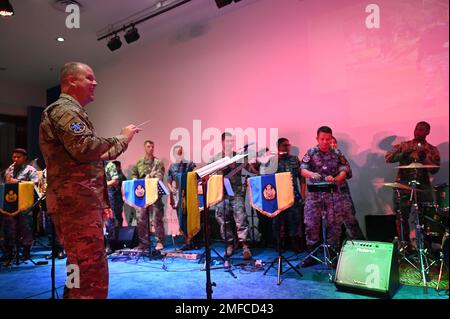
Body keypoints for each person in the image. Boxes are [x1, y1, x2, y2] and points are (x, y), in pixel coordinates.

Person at [39, 62, 141, 299]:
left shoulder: (70, 111)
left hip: (76, 203)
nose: (95, 83)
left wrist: (124, 141)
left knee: (78, 267)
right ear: (71, 80)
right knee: (90, 273)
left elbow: (97, 154)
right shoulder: (64, 110)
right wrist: (121, 136)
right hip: (76, 204)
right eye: (89, 78)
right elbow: (85, 148)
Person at [300, 126, 357, 267]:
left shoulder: (337, 153)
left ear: (331, 138)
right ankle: (312, 254)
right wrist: (311, 174)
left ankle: (333, 254)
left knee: (334, 225)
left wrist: (337, 178)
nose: (325, 142)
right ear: (317, 139)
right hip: (315, 195)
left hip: (333, 194)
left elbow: (345, 170)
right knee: (311, 224)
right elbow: (303, 170)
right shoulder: (311, 152)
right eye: (322, 139)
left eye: (328, 139)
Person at [385, 121, 440, 246]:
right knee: (401, 217)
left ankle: (425, 248)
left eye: (421, 130)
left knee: (425, 218)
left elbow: (435, 169)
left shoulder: (432, 149)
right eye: (416, 129)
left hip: (423, 188)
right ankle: (405, 247)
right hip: (403, 186)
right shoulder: (404, 145)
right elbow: (388, 158)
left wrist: (424, 157)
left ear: (427, 132)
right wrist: (405, 152)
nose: (418, 132)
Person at [209, 132, 257, 260]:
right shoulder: (216, 158)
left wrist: (255, 162)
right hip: (221, 192)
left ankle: (245, 246)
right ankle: (229, 244)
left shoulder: (239, 157)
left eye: (232, 141)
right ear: (222, 142)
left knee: (241, 218)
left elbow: (252, 170)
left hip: (236, 192)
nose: (230, 143)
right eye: (227, 141)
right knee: (223, 220)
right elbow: (209, 174)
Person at [1, 148, 39, 264]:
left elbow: (34, 183)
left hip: (24, 205)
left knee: (25, 227)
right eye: (14, 157)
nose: (15, 159)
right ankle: (9, 252)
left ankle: (26, 253)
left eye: (18, 157)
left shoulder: (30, 169)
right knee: (9, 227)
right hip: (10, 205)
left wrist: (15, 181)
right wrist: (6, 179)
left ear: (25, 158)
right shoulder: (9, 169)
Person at [131, 140, 166, 251]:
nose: (151, 148)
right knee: (141, 219)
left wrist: (149, 177)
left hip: (154, 195)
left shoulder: (158, 162)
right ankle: (144, 243)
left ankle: (159, 241)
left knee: (157, 218)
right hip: (142, 195)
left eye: (152, 146)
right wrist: (138, 181)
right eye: (148, 146)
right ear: (144, 147)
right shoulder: (139, 162)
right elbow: (134, 176)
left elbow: (159, 177)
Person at [272, 138, 304, 253]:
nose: (287, 148)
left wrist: (303, 194)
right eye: (284, 146)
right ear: (278, 148)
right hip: (278, 197)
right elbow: (266, 177)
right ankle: (279, 243)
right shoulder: (273, 161)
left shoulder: (295, 160)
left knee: (294, 220)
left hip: (293, 195)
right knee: (278, 222)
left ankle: (294, 242)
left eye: (288, 145)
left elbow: (302, 178)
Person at [330, 136, 365, 240]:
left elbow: (349, 174)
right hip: (328, 195)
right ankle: (337, 249)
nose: (333, 145)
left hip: (342, 194)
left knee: (351, 221)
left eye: (334, 143)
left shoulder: (340, 157)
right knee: (333, 224)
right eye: (330, 143)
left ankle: (360, 246)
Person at [167, 145, 197, 250]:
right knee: (181, 218)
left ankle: (192, 240)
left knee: (190, 217)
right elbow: (169, 182)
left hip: (189, 194)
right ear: (174, 154)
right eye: (177, 152)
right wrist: (172, 191)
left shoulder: (189, 164)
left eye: (181, 152)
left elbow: (196, 176)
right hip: (178, 196)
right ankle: (186, 241)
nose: (179, 154)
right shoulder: (172, 167)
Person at [104, 160, 126, 253]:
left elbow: (115, 181)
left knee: (109, 220)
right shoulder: (93, 164)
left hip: (108, 195)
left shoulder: (109, 165)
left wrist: (103, 185)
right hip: (95, 195)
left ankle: (110, 244)